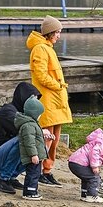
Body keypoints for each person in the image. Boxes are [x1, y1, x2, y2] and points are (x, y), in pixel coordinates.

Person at [27, 16, 72, 187]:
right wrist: (58, 86)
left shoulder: (48, 48)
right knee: (46, 138)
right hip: (47, 100)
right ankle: (37, 171)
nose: (59, 36)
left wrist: (59, 89)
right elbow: (41, 75)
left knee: (54, 139)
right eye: (57, 32)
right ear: (49, 32)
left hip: (56, 101)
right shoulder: (39, 49)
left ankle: (47, 171)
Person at [0, 81, 40, 194]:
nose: (35, 102)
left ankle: (11, 177)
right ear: (24, 98)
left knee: (40, 146)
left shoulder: (25, 114)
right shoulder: (7, 112)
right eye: (33, 99)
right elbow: (25, 131)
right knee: (22, 140)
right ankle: (3, 179)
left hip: (3, 156)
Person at [67, 124, 103, 203]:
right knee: (94, 177)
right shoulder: (101, 144)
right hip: (79, 164)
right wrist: (95, 166)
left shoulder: (98, 142)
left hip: (74, 162)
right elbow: (94, 154)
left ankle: (84, 194)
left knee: (86, 178)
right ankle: (92, 196)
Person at [15, 95, 47, 200]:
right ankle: (30, 191)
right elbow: (29, 142)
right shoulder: (29, 126)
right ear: (34, 113)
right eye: (39, 114)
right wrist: (33, 154)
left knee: (35, 173)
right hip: (33, 156)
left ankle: (31, 190)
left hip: (36, 155)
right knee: (33, 173)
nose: (40, 117)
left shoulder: (32, 124)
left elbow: (35, 138)